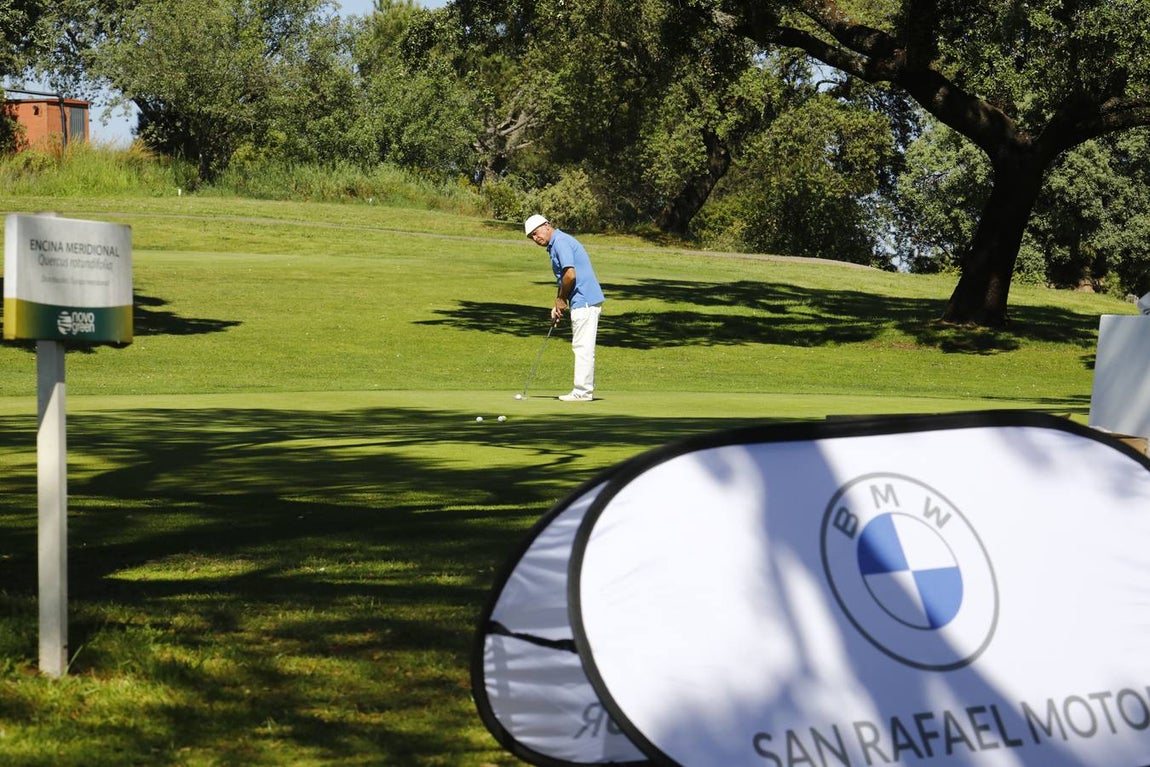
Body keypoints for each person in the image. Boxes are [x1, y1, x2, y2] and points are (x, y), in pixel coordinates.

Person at [524, 214, 605, 401]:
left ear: (547, 225)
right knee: (581, 346)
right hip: (581, 299)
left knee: (583, 346)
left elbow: (570, 274)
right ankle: (583, 390)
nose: (536, 239)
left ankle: (582, 392)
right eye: (532, 238)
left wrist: (561, 299)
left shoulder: (560, 242)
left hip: (584, 299)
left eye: (536, 233)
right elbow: (564, 279)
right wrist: (558, 302)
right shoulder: (557, 243)